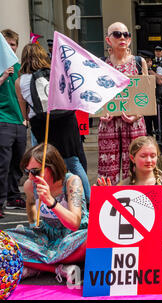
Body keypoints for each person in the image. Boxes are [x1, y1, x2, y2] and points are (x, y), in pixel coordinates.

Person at [98, 136, 162, 282]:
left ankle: (148, 271)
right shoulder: (123, 186)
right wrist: (107, 198)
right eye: (143, 156)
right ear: (132, 158)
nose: (149, 160)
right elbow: (112, 227)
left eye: (153, 156)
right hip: (138, 246)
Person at [15, 43, 91, 205]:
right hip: (66, 123)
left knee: (42, 165)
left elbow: (25, 114)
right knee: (73, 162)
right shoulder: (58, 74)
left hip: (41, 125)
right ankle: (90, 203)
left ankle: (44, 204)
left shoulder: (20, 81)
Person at [6, 143, 89, 285]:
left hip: (71, 237)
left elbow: (75, 223)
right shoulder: (30, 185)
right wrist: (33, 228)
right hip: (46, 238)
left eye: (35, 171)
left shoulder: (71, 181)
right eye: (27, 172)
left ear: (52, 167)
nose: (31, 177)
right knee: (4, 242)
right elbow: (31, 206)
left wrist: (51, 202)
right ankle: (58, 268)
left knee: (89, 241)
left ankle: (34, 265)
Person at [98, 22, 148, 185]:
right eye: (117, 34)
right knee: (108, 168)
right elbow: (95, 93)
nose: (122, 38)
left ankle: (138, 201)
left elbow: (146, 94)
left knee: (136, 164)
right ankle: (109, 203)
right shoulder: (101, 63)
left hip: (134, 122)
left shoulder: (139, 62)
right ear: (108, 39)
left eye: (126, 34)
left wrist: (137, 114)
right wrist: (100, 113)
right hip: (109, 122)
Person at [0, 29, 27, 216]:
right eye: (7, 45)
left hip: (19, 120)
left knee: (18, 162)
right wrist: (2, 77)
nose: (11, 48)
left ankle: (12, 195)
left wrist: (26, 118)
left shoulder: (19, 67)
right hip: (2, 119)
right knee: (3, 162)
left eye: (13, 45)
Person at [139, 49, 162, 153]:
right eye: (144, 61)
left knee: (160, 128)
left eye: (148, 61)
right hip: (144, 104)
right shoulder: (138, 71)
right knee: (147, 130)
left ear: (151, 61)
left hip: (157, 103)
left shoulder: (157, 68)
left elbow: (160, 81)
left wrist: (151, 73)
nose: (146, 63)